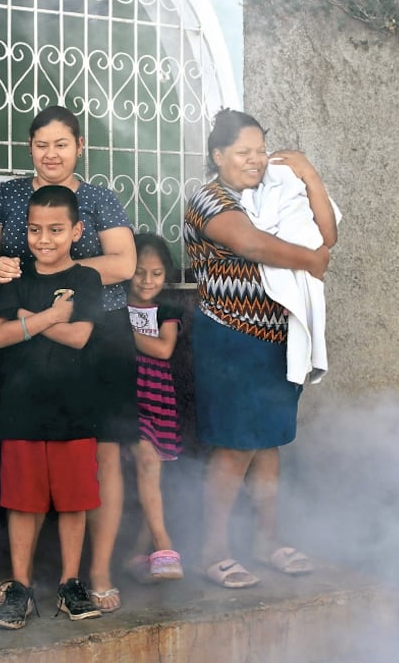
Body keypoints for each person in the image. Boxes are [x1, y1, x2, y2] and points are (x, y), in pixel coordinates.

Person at [0, 105, 136, 613]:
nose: (52, 154)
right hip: (26, 342)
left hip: (95, 335)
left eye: (62, 144)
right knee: (23, 462)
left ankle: (94, 573)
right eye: (42, 144)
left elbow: (125, 263)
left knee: (99, 456)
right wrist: (16, 275)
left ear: (79, 147)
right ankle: (21, 581)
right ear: (30, 147)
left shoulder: (97, 198)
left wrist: (53, 276)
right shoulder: (7, 196)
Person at [183, 108, 337, 588]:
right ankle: (213, 550)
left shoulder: (272, 194)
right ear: (218, 155)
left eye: (260, 151)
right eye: (243, 152)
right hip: (230, 337)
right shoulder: (206, 197)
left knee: (269, 443)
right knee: (234, 446)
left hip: (278, 339)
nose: (255, 160)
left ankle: (267, 541)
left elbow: (327, 231)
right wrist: (311, 260)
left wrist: (308, 173)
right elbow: (251, 244)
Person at [0, 185, 105, 629]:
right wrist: (53, 316)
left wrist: (27, 321)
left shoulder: (88, 279)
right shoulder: (15, 277)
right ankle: (20, 588)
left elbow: (80, 337)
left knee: (74, 502)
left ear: (76, 231)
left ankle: (69, 583)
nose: (44, 239)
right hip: (20, 407)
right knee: (23, 503)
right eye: (35, 230)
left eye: (56, 230)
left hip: (75, 408)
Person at [121, 233, 186, 585]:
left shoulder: (169, 310)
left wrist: (123, 332)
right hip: (125, 401)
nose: (147, 281)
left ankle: (138, 554)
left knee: (151, 475)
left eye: (157, 274)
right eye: (140, 272)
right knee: (146, 464)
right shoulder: (112, 306)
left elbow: (163, 350)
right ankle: (164, 547)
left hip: (157, 398)